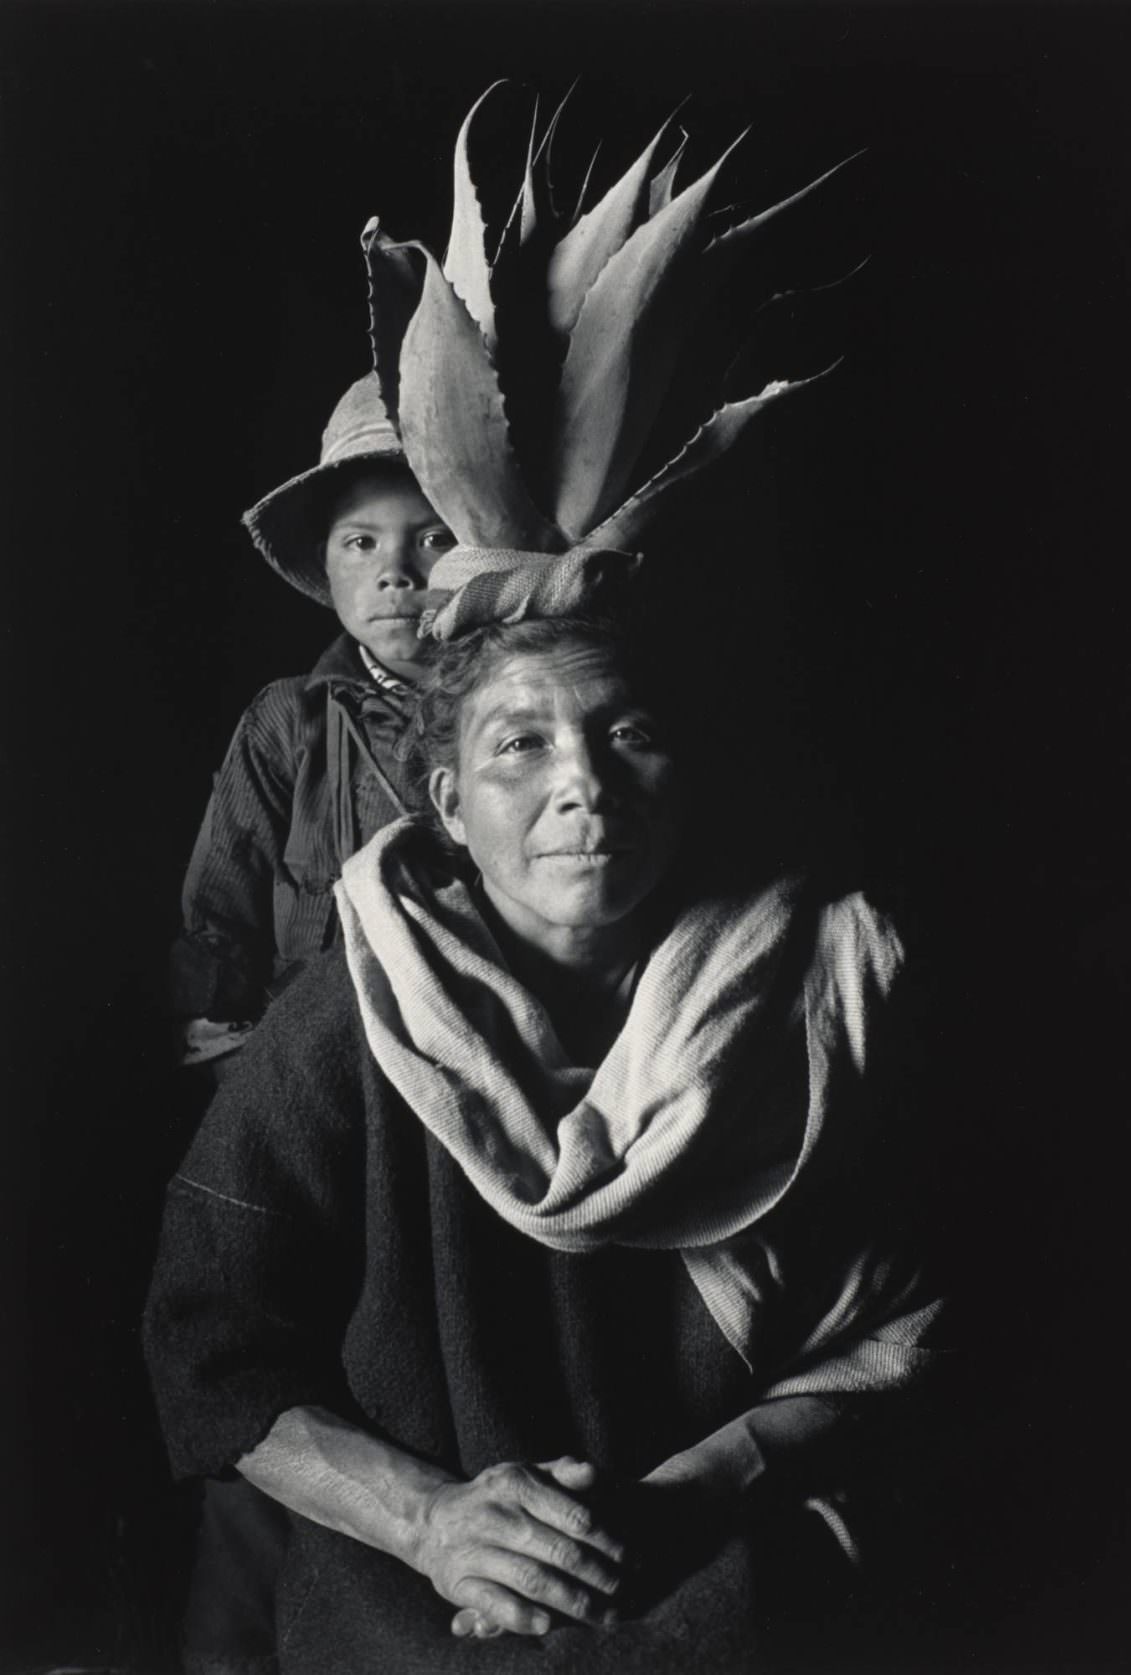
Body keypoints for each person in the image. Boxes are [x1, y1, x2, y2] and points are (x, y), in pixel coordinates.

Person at [145, 605, 943, 1674]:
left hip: (738, 1554)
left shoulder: (816, 999)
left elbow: (912, 1327)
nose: (585, 783)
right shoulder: (350, 1022)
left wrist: (694, 1496)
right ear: (450, 804)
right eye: (521, 742)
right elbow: (212, 1344)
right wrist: (433, 1521)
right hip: (419, 1591)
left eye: (629, 733)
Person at [169, 371, 455, 1080]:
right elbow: (221, 920)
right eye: (361, 542)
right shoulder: (284, 722)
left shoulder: (528, 717)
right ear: (325, 562)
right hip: (309, 1066)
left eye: (435, 538)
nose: (396, 573)